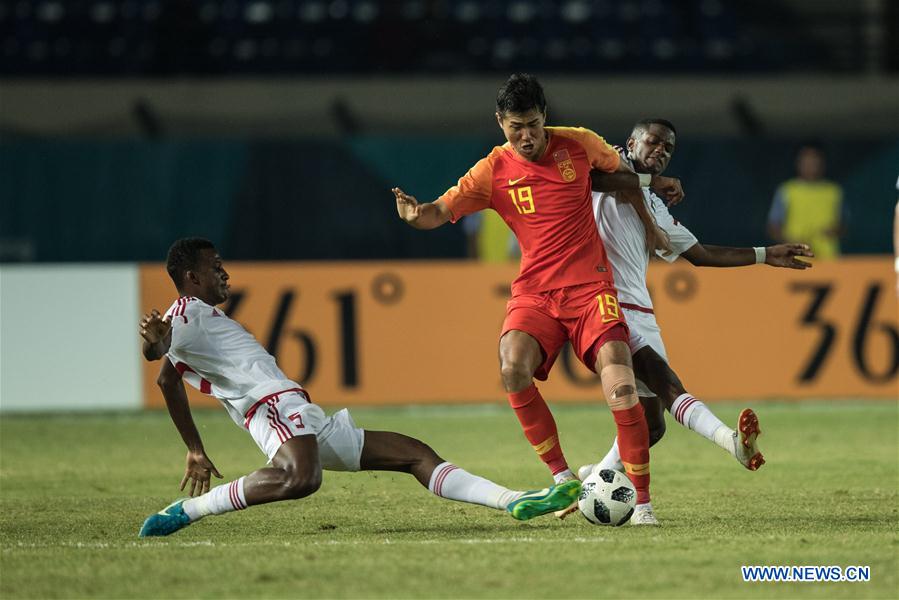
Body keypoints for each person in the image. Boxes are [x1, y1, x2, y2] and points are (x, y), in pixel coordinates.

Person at [137, 238, 580, 537]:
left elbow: (166, 380)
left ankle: (514, 500)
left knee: (414, 453)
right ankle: (189, 511)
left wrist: (194, 447)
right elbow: (160, 352)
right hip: (272, 407)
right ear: (192, 278)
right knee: (301, 478)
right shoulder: (185, 313)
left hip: (296, 411)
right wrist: (158, 342)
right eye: (215, 268)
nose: (223, 273)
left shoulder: (194, 319)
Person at [392, 74, 685, 525]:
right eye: (515, 127)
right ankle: (562, 476)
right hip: (536, 291)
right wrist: (416, 215)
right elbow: (441, 210)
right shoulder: (492, 170)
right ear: (500, 123)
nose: (526, 136)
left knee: (622, 384)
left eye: (532, 124)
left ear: (544, 116)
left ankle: (642, 504)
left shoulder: (579, 144)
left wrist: (652, 182)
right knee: (512, 367)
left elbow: (614, 176)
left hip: (591, 290)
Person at [580, 118, 815, 486]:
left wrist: (765, 254)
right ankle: (731, 442)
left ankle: (595, 478)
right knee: (667, 383)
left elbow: (701, 253)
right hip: (603, 303)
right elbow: (598, 181)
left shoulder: (655, 205)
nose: (660, 151)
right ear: (632, 141)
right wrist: (649, 182)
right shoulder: (608, 164)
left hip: (639, 308)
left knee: (652, 426)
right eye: (654, 142)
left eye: (668, 149)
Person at [767, 144, 844, 259]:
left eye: (815, 161)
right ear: (798, 163)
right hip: (794, 259)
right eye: (807, 161)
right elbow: (773, 227)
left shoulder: (834, 191)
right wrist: (791, 241)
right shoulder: (787, 190)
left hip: (828, 259)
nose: (811, 166)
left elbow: (843, 225)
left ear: (822, 164)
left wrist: (834, 230)